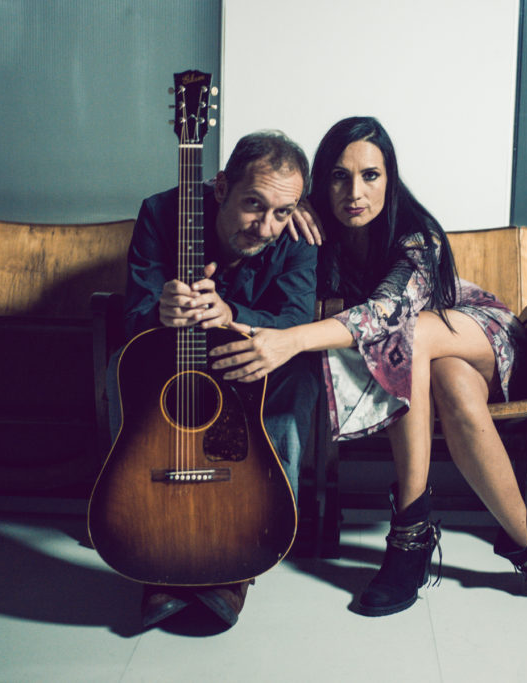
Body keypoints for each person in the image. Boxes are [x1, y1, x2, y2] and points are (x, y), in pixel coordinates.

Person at [211, 116, 527, 616]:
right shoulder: (312, 228)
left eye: (370, 175)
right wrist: (290, 208)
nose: (355, 192)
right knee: (449, 384)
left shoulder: (416, 235)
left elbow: (387, 315)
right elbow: (242, 209)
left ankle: (410, 533)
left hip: (477, 331)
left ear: (391, 178)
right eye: (339, 176)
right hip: (429, 360)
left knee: (407, 336)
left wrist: (291, 341)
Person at [112, 130, 321, 628]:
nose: (267, 226)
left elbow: (294, 318)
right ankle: (152, 534)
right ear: (221, 187)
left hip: (252, 371)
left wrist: (232, 315)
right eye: (254, 204)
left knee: (300, 379)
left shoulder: (295, 235)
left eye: (282, 211)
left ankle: (246, 551)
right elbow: (135, 312)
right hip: (173, 369)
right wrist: (159, 312)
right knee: (120, 365)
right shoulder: (162, 212)